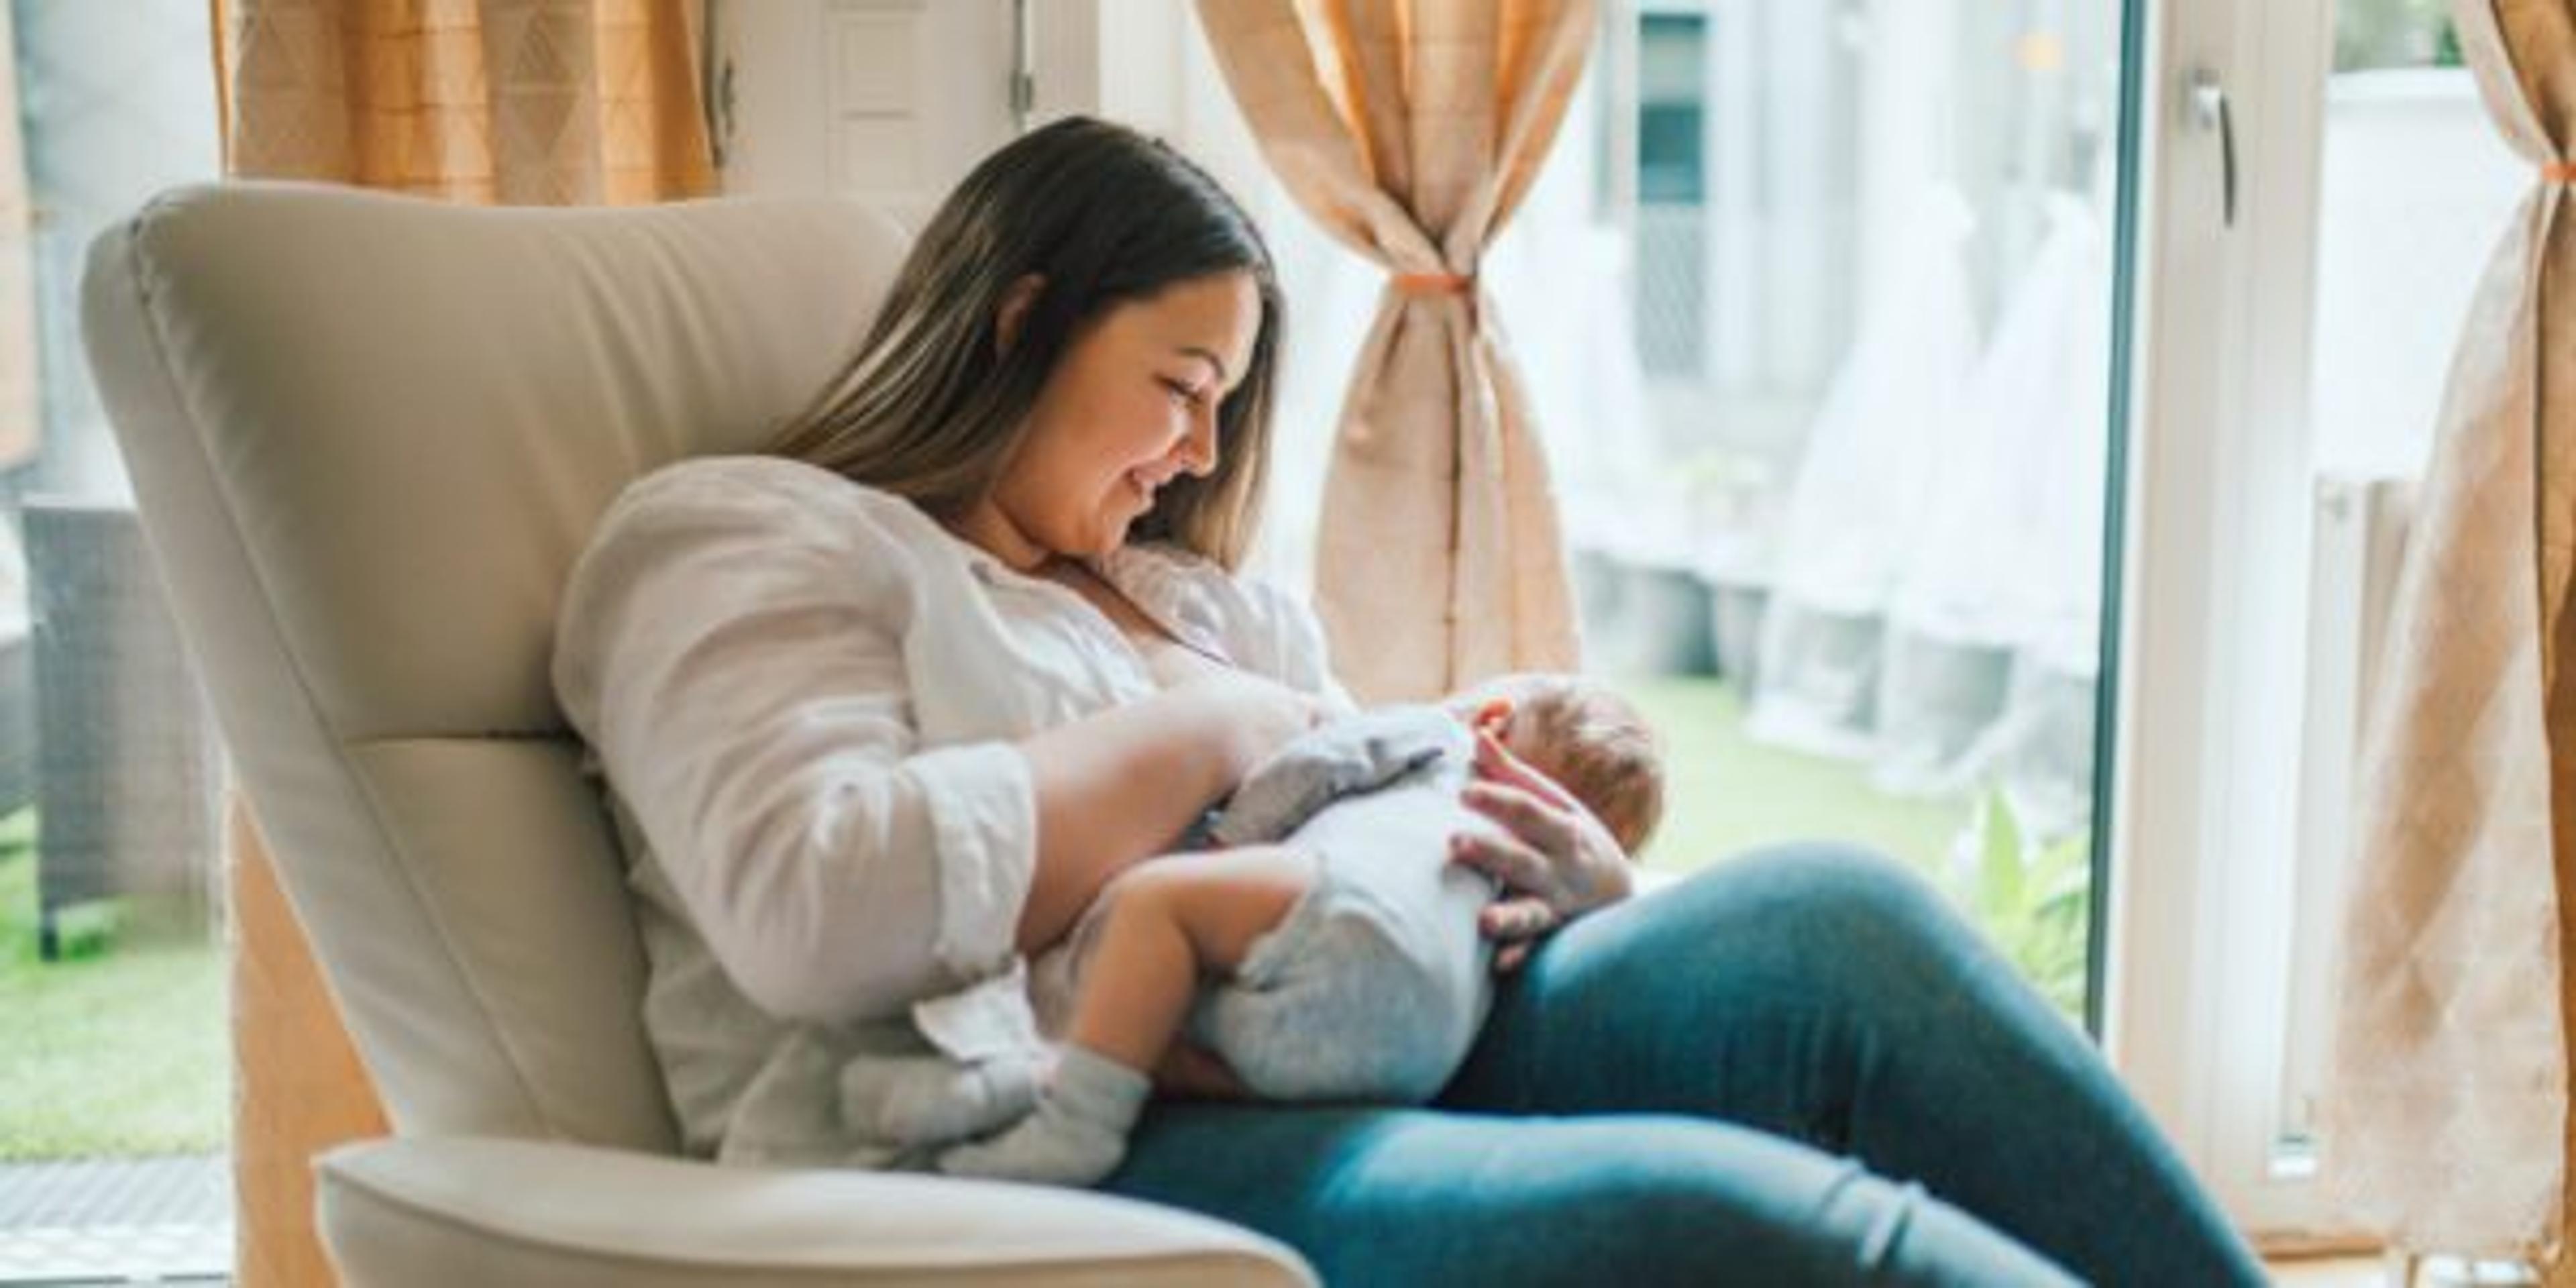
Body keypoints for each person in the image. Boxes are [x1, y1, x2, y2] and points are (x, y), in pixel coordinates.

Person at [551, 115, 2267, 1285]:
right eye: (1178, 384)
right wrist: (1216, 733)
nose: (1202, 453)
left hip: (1361, 1039)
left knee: (1837, 919)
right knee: (1741, 1227)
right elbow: (809, 906)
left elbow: (1365, 857)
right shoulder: (748, 533)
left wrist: (1566, 896)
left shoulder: (1203, 602)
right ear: (1018, 322)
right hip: (1042, 1136)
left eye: (1225, 406)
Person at [855, 674, 1664, 1187]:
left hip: (1355, 920)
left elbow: (1317, 764)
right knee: (1151, 1038)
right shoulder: (1534, 884)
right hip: (1421, 1050)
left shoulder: (1443, 738)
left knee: (1156, 905)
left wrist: (1231, 848)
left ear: (1493, 713)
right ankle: (992, 1093)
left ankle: (1071, 1129)